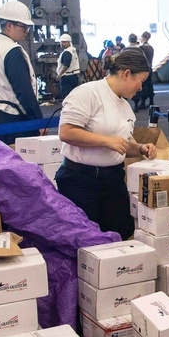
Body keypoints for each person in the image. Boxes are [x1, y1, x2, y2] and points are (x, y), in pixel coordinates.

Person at [56, 50, 157, 240]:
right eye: (141, 81)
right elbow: (66, 132)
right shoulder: (87, 93)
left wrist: (140, 148)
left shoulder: (125, 106)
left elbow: (122, 145)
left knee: (120, 237)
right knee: (85, 242)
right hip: (81, 182)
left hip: (113, 181)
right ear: (126, 74)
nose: (141, 88)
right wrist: (106, 141)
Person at [0, 0, 43, 145]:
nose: (27, 31)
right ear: (9, 25)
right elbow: (23, 91)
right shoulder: (11, 50)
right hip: (16, 119)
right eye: (23, 27)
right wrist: (38, 121)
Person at [55, 33, 80, 101]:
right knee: (73, 96)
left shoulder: (67, 52)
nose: (62, 44)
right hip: (73, 76)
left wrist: (59, 75)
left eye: (64, 42)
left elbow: (66, 65)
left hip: (67, 77)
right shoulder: (73, 50)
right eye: (61, 42)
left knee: (67, 97)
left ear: (69, 42)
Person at [139, 31, 156, 108]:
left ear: (144, 38)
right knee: (150, 84)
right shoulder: (151, 48)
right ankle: (151, 101)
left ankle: (143, 102)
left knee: (144, 85)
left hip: (143, 68)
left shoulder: (142, 48)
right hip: (150, 68)